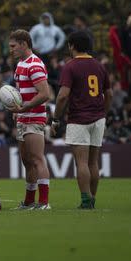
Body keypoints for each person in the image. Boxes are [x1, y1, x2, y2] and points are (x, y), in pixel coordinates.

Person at [53, 31, 111, 209]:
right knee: (94, 162)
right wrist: (104, 113)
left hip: (79, 119)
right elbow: (108, 93)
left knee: (82, 162)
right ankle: (92, 198)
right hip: (98, 118)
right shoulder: (100, 66)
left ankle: (86, 200)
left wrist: (56, 118)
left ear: (72, 46)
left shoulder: (70, 66)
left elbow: (63, 96)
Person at [8, 29, 53, 210]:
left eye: (13, 46)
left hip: (34, 117)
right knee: (27, 160)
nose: (10, 50)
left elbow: (45, 94)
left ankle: (44, 202)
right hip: (23, 117)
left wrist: (24, 108)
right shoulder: (20, 64)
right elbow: (21, 94)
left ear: (24, 44)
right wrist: (17, 110)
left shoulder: (35, 64)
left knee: (37, 159)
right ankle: (29, 201)